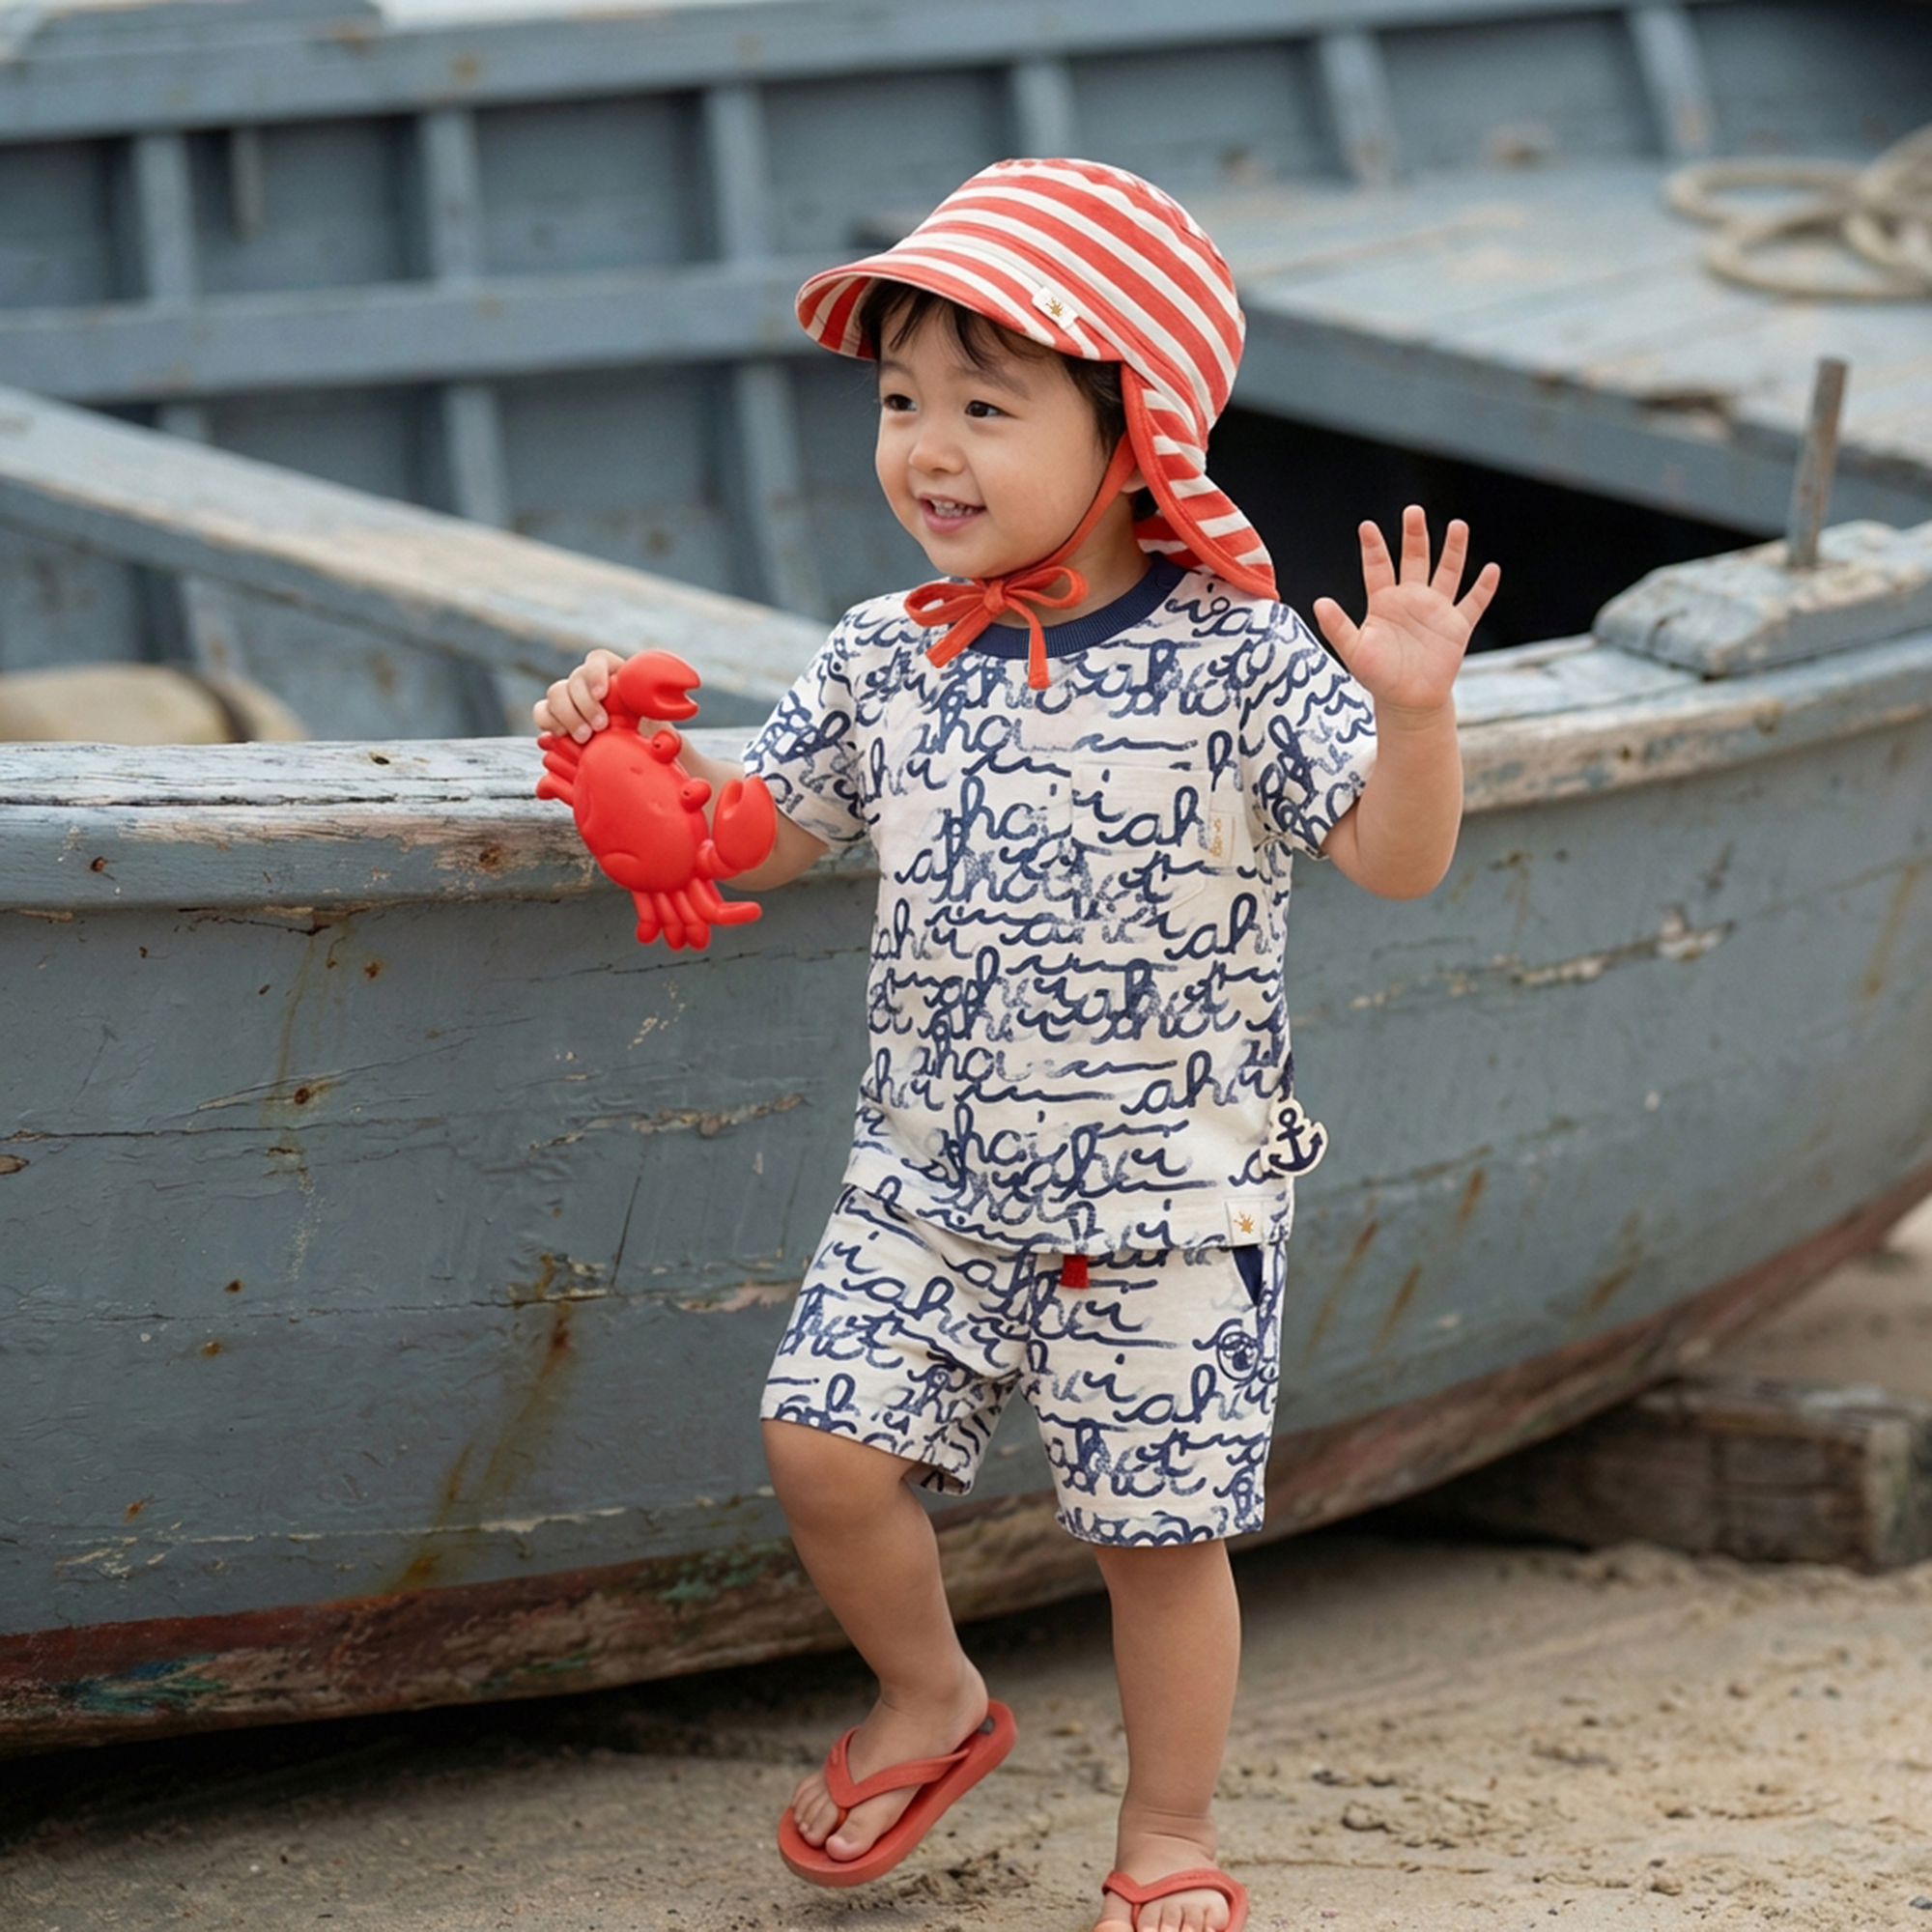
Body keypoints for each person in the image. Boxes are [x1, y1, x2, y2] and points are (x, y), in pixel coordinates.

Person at [535, 157, 1498, 1932]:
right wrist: (619, 757)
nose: (929, 447)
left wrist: (1416, 715)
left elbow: (1394, 857)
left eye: (987, 406)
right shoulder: (882, 659)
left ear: (1137, 440)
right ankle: (932, 1699)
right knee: (822, 1448)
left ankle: (1168, 1837)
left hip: (1167, 1211)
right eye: (901, 401)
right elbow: (753, 837)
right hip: (927, 1185)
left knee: (1155, 1540)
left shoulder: (1239, 660)